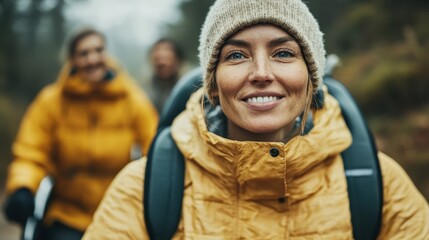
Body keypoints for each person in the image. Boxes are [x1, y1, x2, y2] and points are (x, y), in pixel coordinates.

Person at [83, 0, 429, 239]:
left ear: (312, 79)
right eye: (236, 55)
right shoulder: (142, 189)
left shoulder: (379, 184)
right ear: (213, 86)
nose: (261, 73)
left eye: (283, 53)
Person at [3, 27, 158, 239]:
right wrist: (22, 187)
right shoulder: (51, 101)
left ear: (107, 54)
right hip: (66, 215)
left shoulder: (132, 99)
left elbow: (155, 149)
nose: (93, 58)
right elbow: (31, 152)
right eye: (84, 53)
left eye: (98, 50)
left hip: (117, 213)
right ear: (72, 60)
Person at [147, 38, 184, 113]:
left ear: (178, 60)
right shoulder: (145, 90)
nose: (162, 63)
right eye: (160, 64)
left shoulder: (189, 86)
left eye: (167, 59)